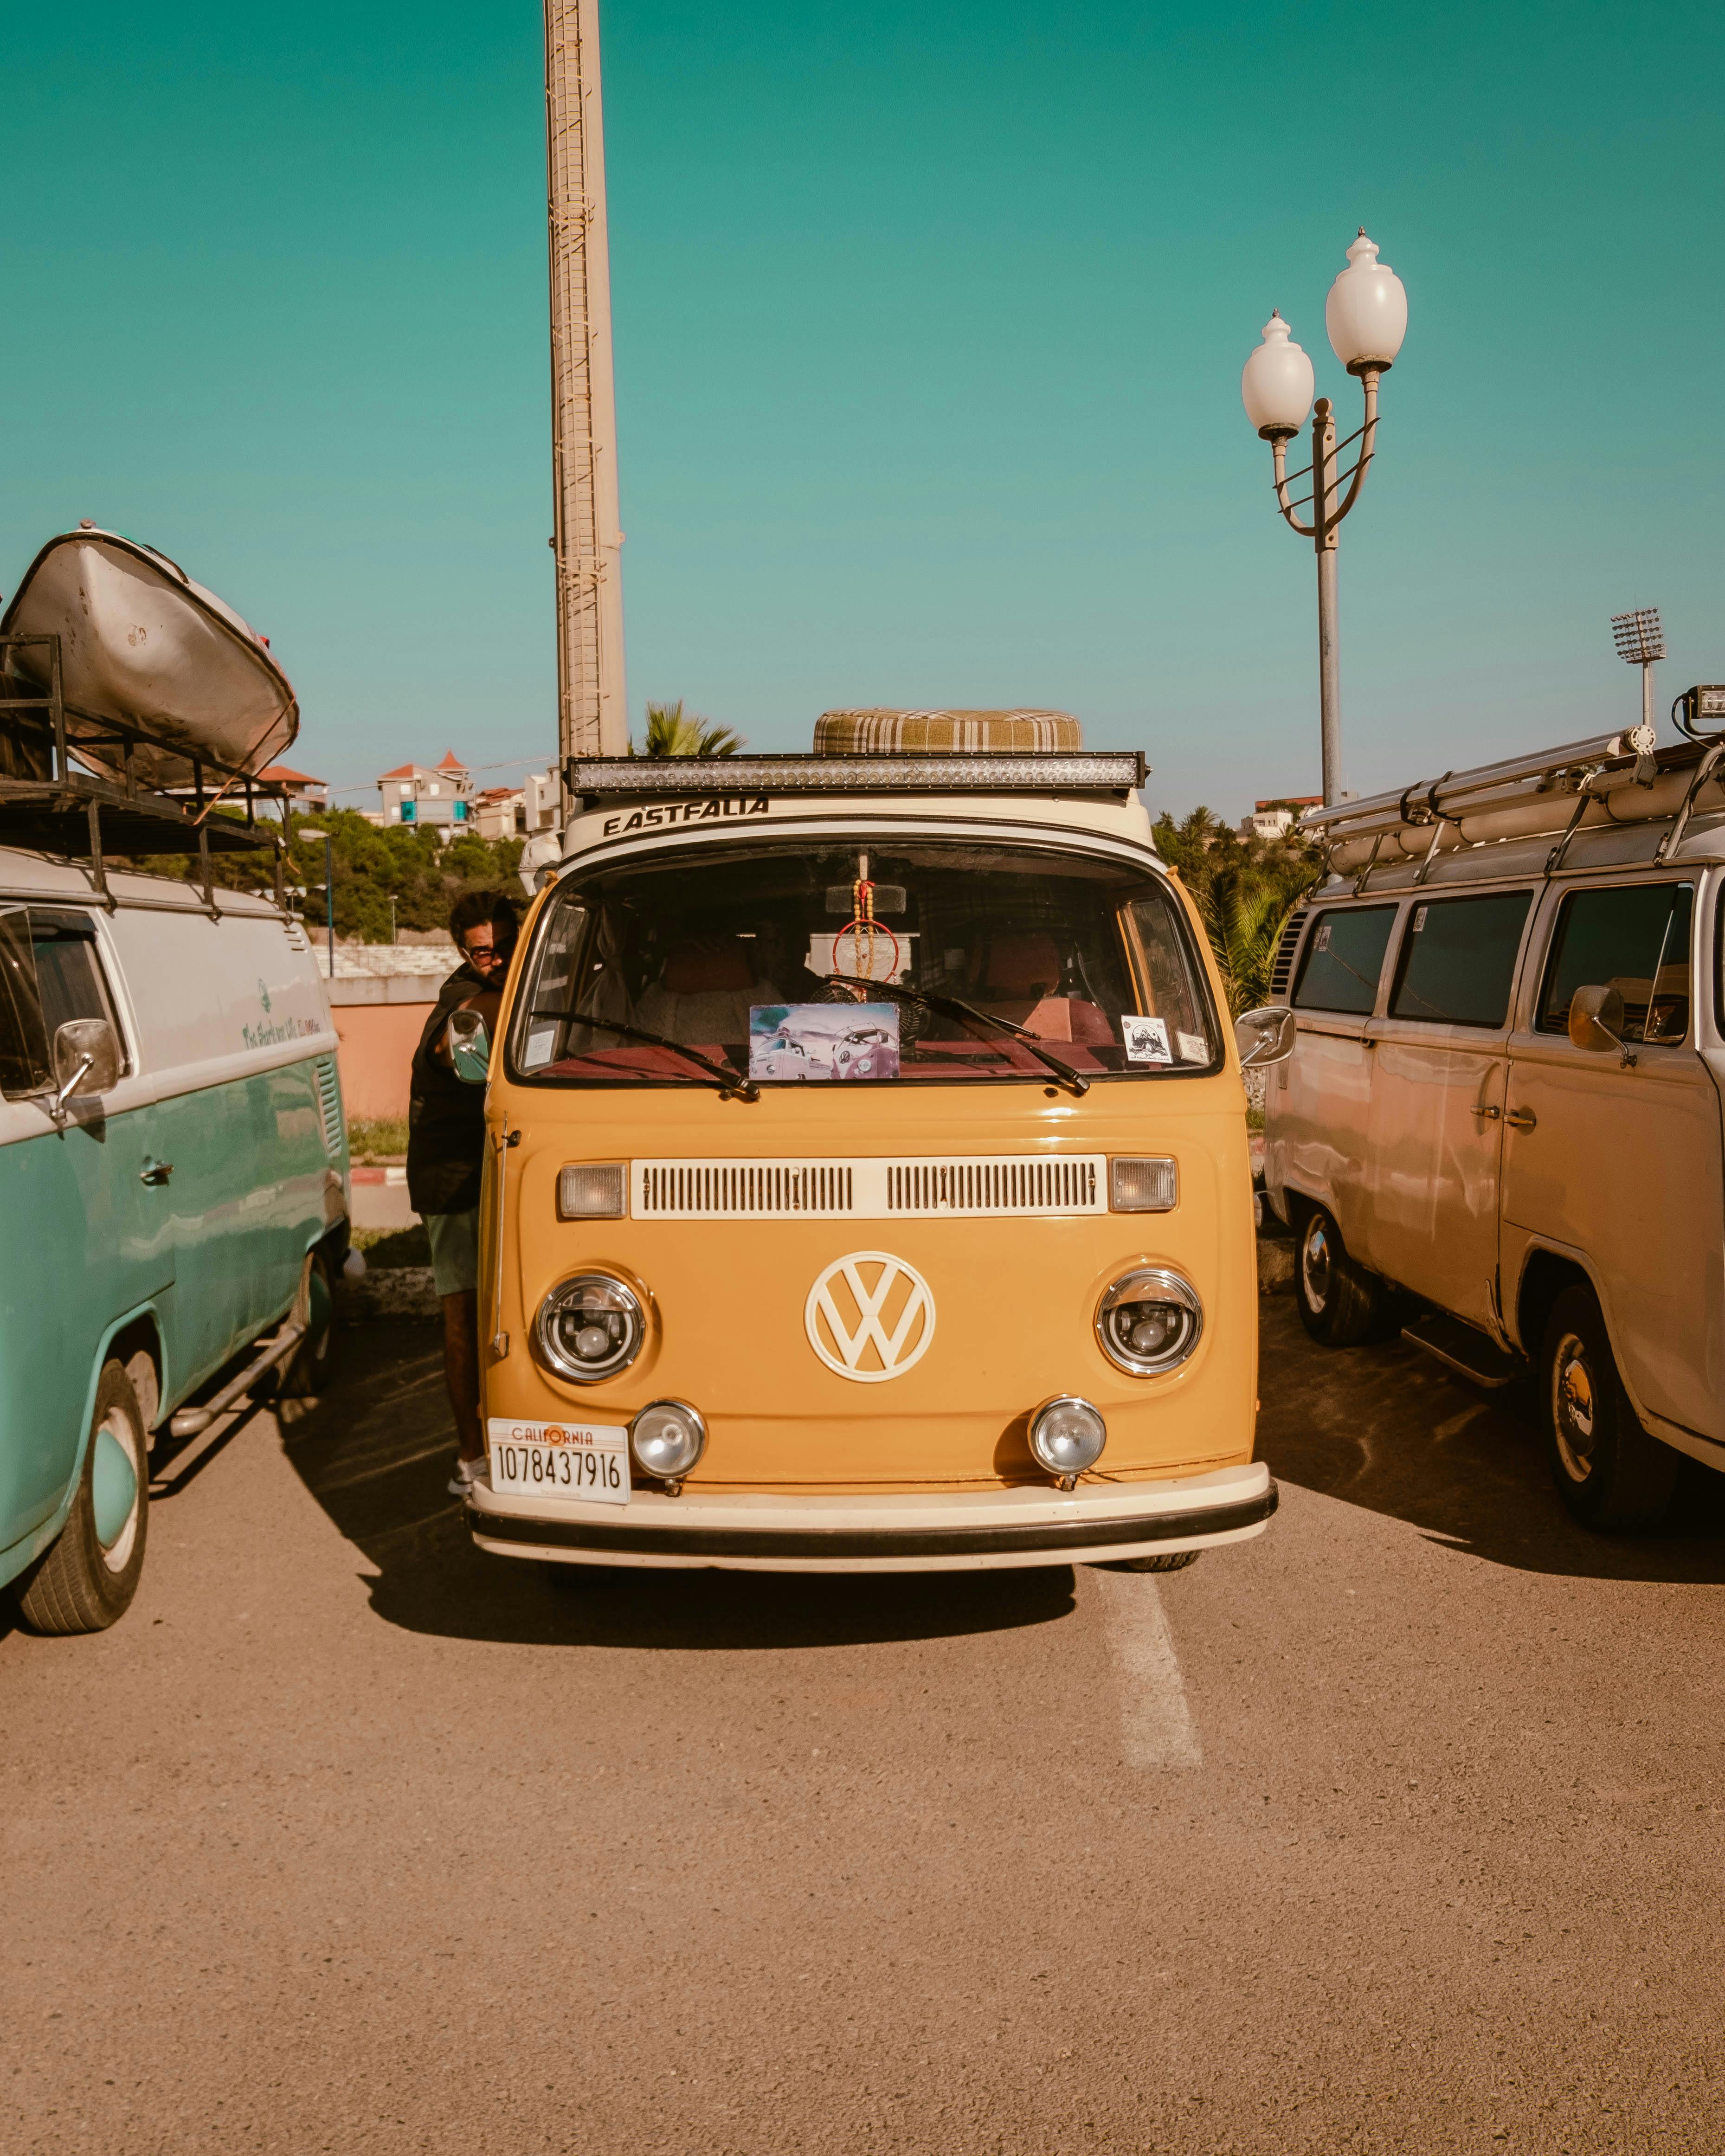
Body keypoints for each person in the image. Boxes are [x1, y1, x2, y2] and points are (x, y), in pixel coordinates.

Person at [406, 890, 520, 1497]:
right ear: (462, 954)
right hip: (452, 1173)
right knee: (465, 1316)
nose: (497, 960)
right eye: (483, 953)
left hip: (505, 1163)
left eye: (506, 948)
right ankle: (470, 1457)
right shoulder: (464, 997)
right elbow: (452, 1044)